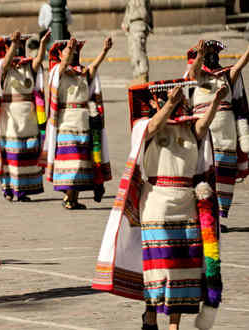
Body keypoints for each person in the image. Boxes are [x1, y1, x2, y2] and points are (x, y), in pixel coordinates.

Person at [93, 80, 225, 330]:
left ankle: (174, 324)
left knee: (182, 265)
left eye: (180, 99)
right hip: (156, 202)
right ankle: (151, 313)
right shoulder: (143, 126)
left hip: (186, 203)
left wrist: (217, 101)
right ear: (157, 102)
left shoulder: (190, 128)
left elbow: (204, 124)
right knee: (160, 265)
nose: (180, 102)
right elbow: (153, 125)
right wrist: (170, 105)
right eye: (171, 98)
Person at [44, 37, 113, 209]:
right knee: (72, 161)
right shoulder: (56, 72)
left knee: (82, 161)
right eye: (69, 51)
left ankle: (72, 199)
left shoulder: (83, 72)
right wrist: (68, 48)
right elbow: (63, 64)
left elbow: (94, 67)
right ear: (60, 54)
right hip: (66, 121)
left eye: (75, 50)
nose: (73, 53)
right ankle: (68, 197)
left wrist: (105, 51)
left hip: (83, 123)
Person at [187, 40, 249, 227]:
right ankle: (205, 214)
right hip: (204, 133)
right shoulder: (197, 76)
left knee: (223, 174)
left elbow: (241, 64)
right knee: (204, 172)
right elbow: (192, 73)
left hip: (225, 136)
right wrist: (199, 55)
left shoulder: (227, 75)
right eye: (209, 53)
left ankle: (220, 217)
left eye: (215, 53)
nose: (212, 56)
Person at [0, 31, 50, 202]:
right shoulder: (3, 65)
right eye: (17, 45)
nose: (20, 48)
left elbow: (38, 60)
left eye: (22, 45)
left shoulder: (29, 65)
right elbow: (5, 64)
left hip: (28, 117)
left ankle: (23, 190)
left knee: (26, 153)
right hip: (10, 117)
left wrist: (43, 44)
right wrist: (13, 45)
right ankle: (8, 189)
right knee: (10, 155)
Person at [122, 0, 153, 85]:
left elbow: (147, 10)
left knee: (139, 50)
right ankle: (137, 76)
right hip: (132, 25)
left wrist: (149, 24)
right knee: (133, 51)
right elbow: (129, 8)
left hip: (139, 23)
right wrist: (125, 22)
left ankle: (143, 74)